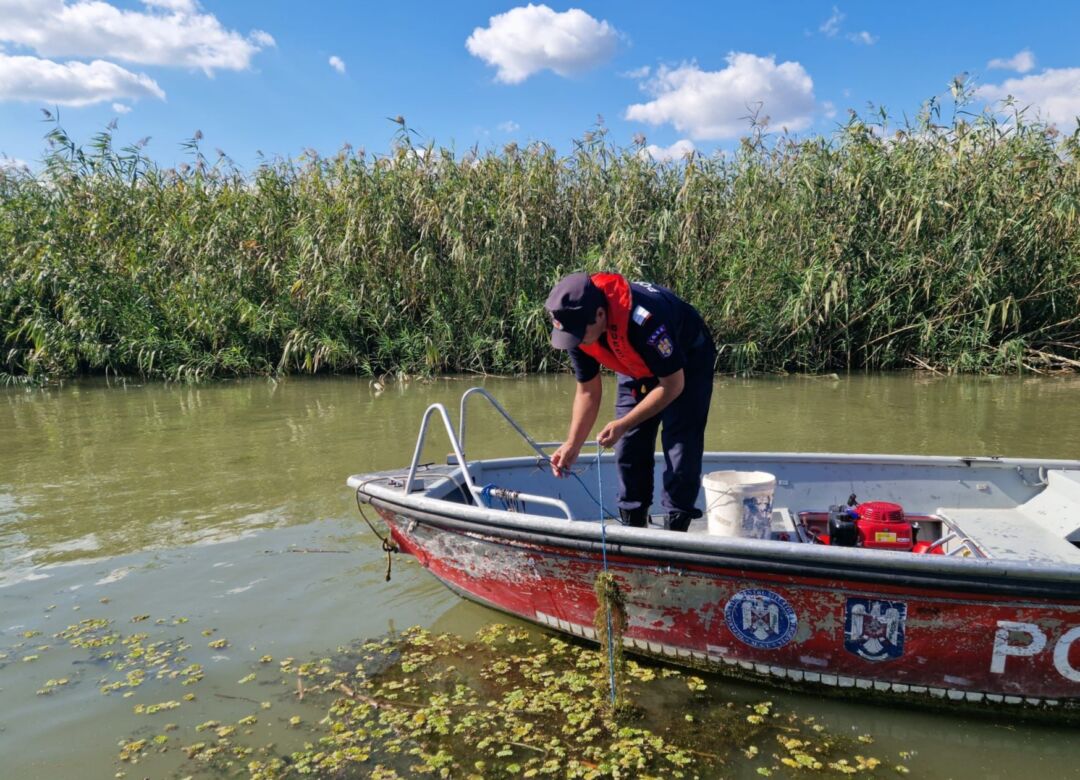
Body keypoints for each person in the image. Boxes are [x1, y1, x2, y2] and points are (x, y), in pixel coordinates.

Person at [545, 271, 715, 532]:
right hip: (634, 364)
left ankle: (676, 531)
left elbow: (672, 385)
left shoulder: (644, 321)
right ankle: (635, 528)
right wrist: (573, 444)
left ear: (600, 315)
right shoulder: (576, 327)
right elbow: (588, 391)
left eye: (579, 334)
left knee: (680, 445)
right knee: (628, 446)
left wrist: (623, 423)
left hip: (685, 363)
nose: (575, 342)